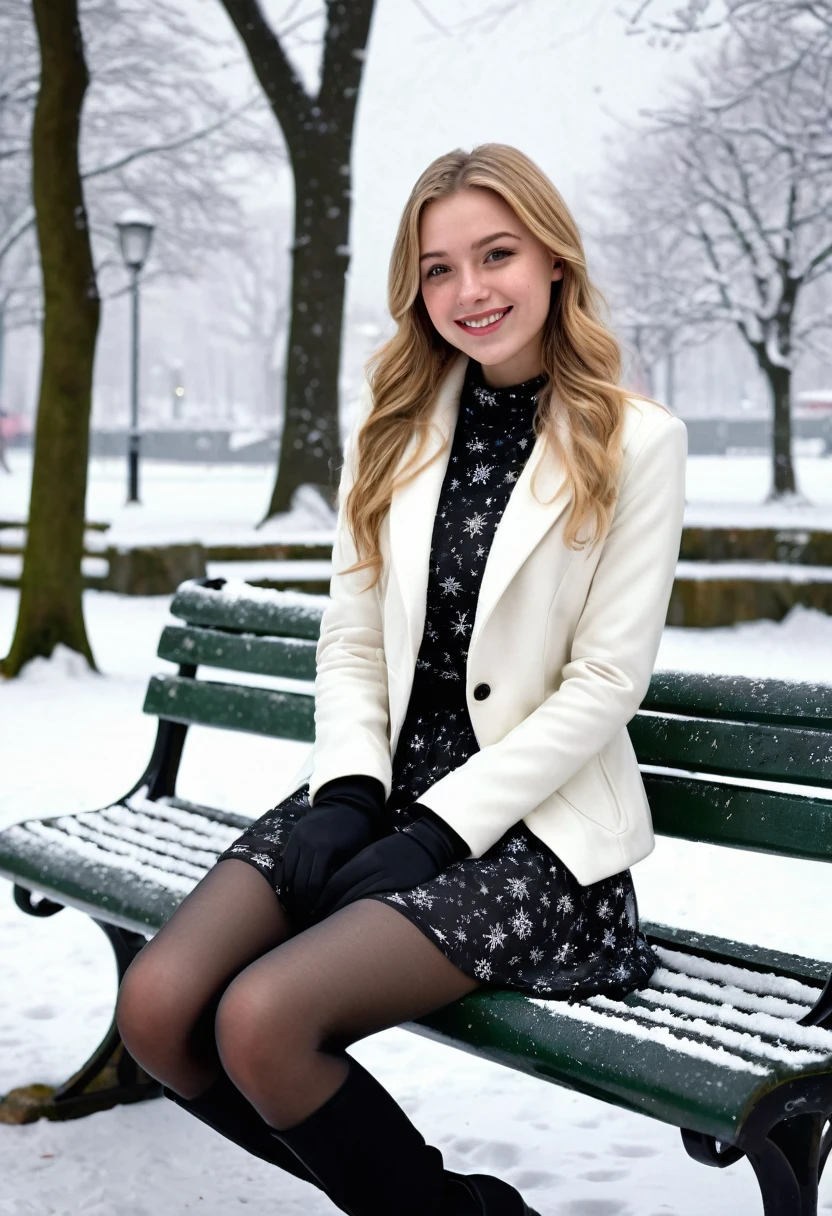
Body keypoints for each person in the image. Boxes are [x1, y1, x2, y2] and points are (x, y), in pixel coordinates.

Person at [116, 143, 687, 1216]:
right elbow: (353, 640)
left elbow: (605, 682)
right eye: (437, 268)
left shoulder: (635, 443)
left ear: (553, 260)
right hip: (374, 789)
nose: (468, 291)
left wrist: (436, 830)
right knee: (158, 1008)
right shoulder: (392, 429)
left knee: (261, 1020)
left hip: (529, 831)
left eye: (496, 254)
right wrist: (345, 792)